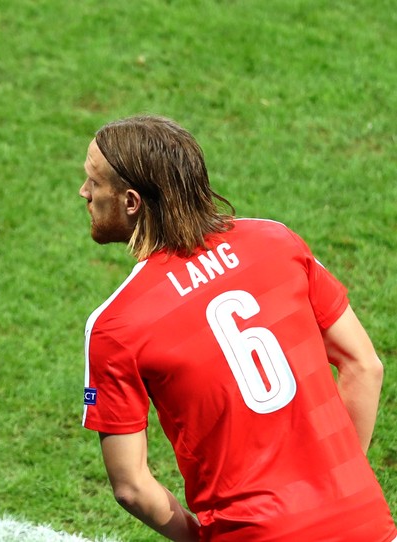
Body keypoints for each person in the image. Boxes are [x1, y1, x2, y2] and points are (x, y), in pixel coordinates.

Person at [78, 115, 395, 541]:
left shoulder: (117, 325)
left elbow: (132, 487)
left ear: (131, 201)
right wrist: (339, 483)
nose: (84, 193)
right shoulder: (278, 242)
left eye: (93, 183)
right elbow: (363, 364)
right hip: (364, 523)